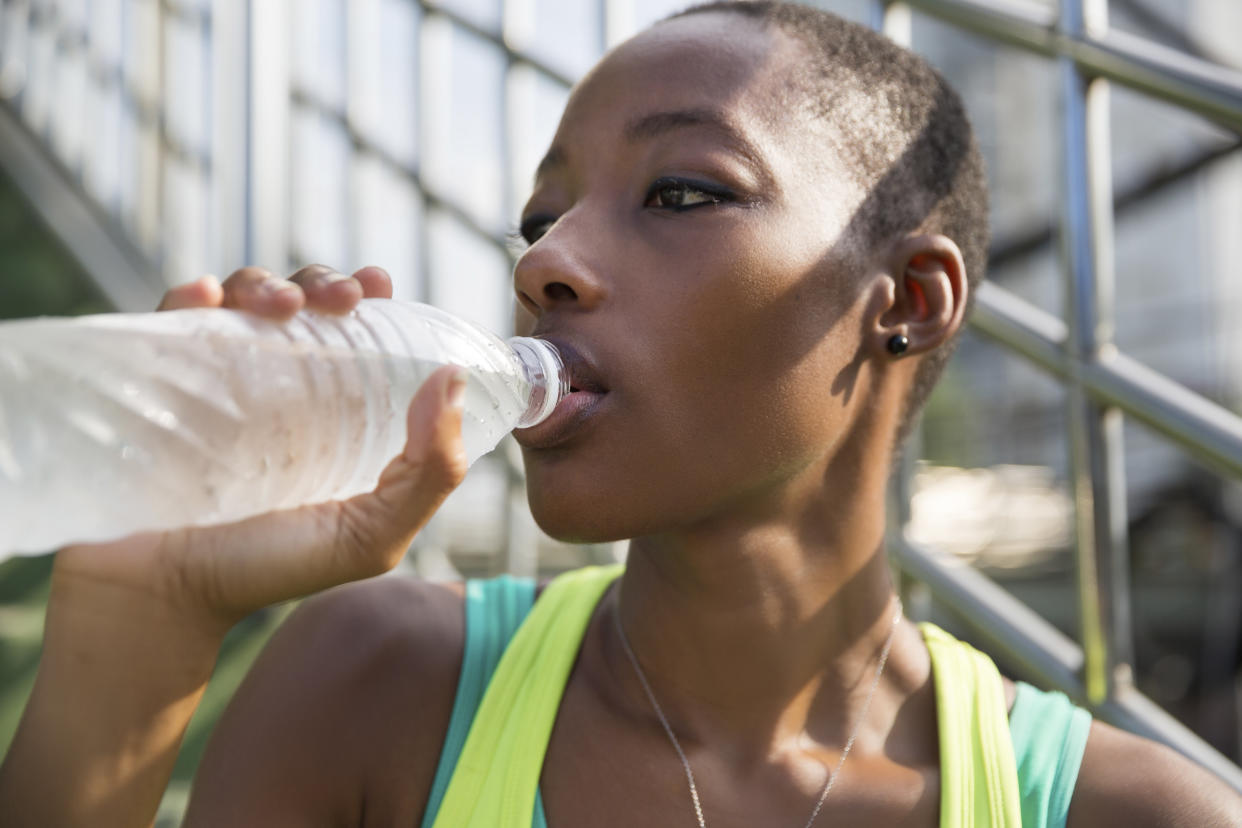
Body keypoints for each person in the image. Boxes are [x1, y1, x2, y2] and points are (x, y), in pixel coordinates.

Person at [2, 2, 1240, 825]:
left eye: (683, 191)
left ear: (906, 301)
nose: (545, 265)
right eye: (542, 220)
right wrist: (145, 616)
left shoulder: (1127, 815)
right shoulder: (375, 693)